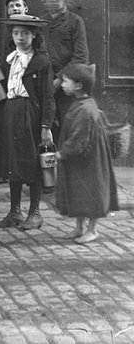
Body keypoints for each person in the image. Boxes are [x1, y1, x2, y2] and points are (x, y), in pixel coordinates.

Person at [0, 14, 55, 231]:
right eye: (16, 33)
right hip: (10, 112)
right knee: (13, 162)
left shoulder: (41, 61)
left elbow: (48, 96)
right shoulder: (9, 59)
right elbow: (4, 87)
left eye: (25, 34)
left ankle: (35, 212)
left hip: (31, 114)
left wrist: (45, 126)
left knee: (31, 162)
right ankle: (14, 211)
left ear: (34, 35)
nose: (20, 38)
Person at [55, 64, 118, 244]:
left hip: (88, 161)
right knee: (79, 191)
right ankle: (79, 226)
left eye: (65, 81)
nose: (62, 85)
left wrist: (63, 153)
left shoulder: (85, 109)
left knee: (90, 192)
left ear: (78, 86)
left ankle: (93, 229)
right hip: (81, 160)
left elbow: (79, 139)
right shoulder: (81, 104)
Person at [40, 0, 90, 136]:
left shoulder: (75, 22)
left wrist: (60, 78)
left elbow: (81, 57)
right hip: (44, 85)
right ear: (43, 1)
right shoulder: (41, 23)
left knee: (69, 128)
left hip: (68, 87)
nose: (54, 1)